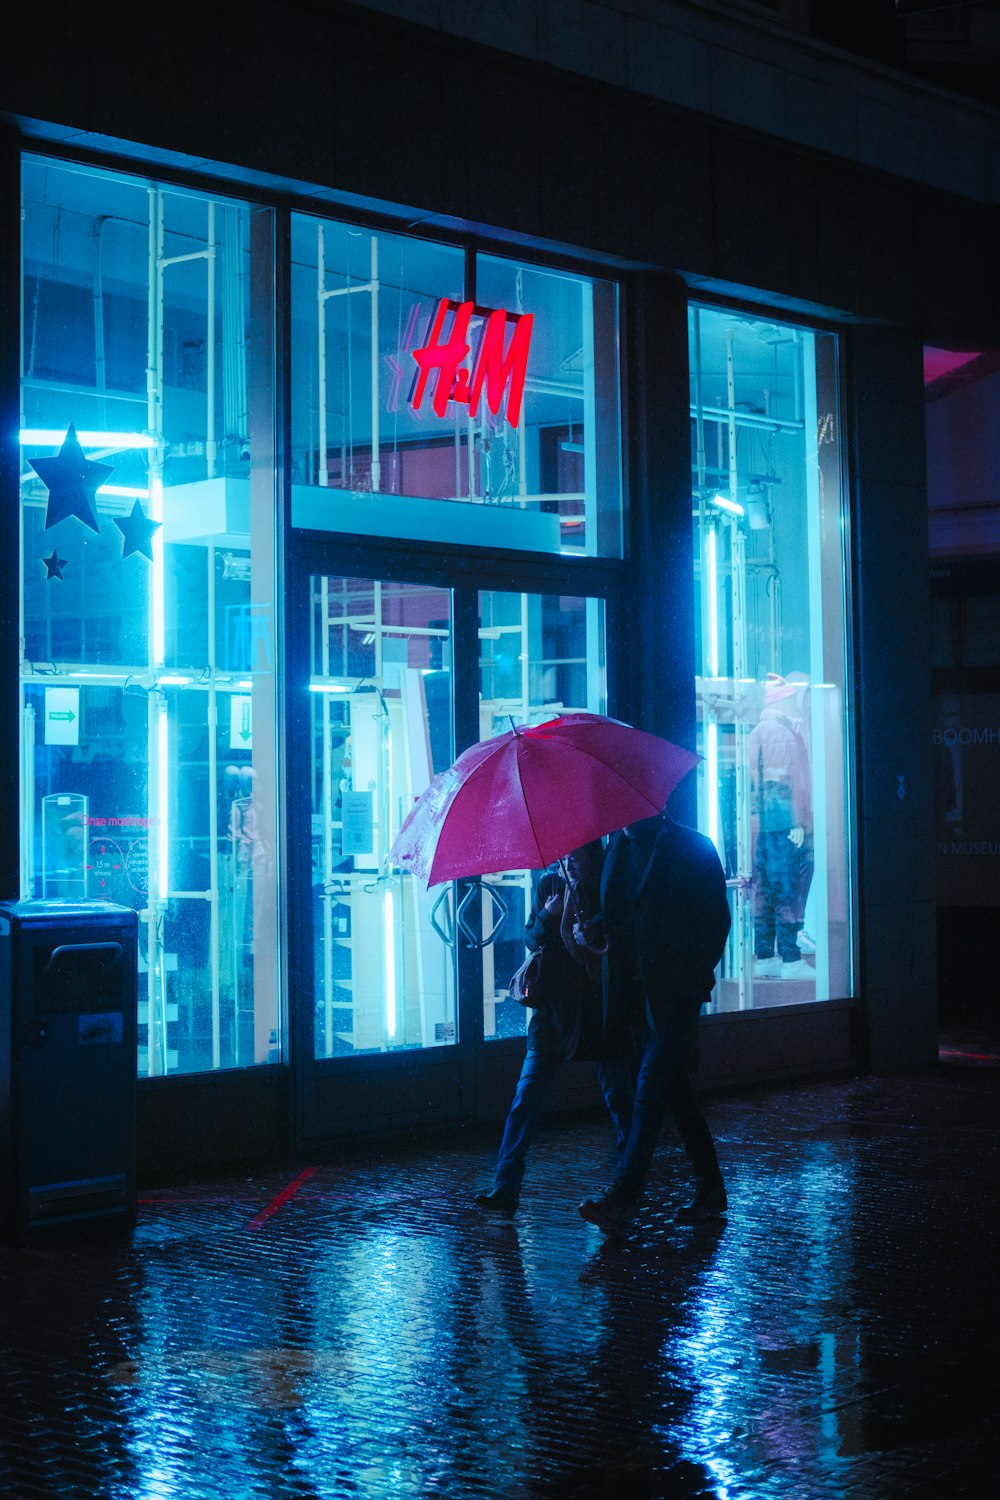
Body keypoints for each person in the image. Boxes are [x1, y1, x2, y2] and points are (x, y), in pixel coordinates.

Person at [578, 809, 731, 1236]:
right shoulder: (618, 848)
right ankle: (711, 1189)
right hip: (632, 998)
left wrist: (694, 979)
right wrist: (593, 930)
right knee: (675, 1093)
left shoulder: (691, 847)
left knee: (649, 1089)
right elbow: (617, 917)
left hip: (673, 996)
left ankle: (625, 1196)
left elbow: (715, 922)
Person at [475, 840, 633, 1218]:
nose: (571, 864)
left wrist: (592, 929)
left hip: (594, 1009)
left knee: (618, 1097)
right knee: (525, 1099)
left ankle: (629, 1184)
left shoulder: (606, 886)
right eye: (566, 858)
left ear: (592, 857)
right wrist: (548, 915)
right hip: (553, 1011)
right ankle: (505, 1186)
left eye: (577, 858)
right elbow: (531, 938)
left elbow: (619, 936)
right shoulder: (551, 885)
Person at [748, 673, 814, 980]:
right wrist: (795, 821)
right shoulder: (782, 734)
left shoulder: (758, 732)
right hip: (783, 824)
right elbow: (784, 783)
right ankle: (790, 957)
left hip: (766, 825)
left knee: (768, 890)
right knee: (789, 888)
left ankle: (765, 954)